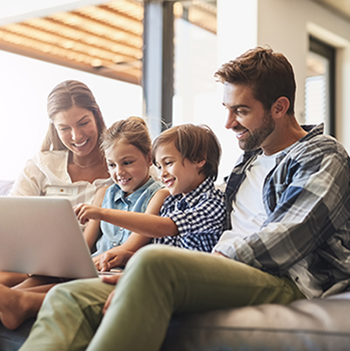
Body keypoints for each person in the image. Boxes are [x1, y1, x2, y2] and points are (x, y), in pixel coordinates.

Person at [18, 46, 350, 351]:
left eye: (241, 111)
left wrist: (203, 263)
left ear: (280, 107)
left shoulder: (321, 156)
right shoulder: (249, 160)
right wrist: (141, 280)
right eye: (227, 109)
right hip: (227, 271)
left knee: (153, 262)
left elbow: (288, 238)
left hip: (284, 279)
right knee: (68, 294)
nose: (228, 122)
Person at [0, 122, 226, 330]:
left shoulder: (167, 196)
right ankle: (13, 299)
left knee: (71, 281)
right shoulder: (112, 193)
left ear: (147, 159)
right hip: (101, 263)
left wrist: (102, 217)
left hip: (123, 269)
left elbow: (157, 231)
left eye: (127, 162)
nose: (119, 171)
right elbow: (85, 244)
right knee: (38, 275)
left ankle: (20, 302)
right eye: (111, 165)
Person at [0, 80, 112, 288]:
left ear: (96, 115)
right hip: (36, 258)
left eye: (83, 123)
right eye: (64, 128)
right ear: (54, 128)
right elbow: (9, 219)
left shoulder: (124, 167)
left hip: (88, 264)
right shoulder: (41, 165)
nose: (76, 136)